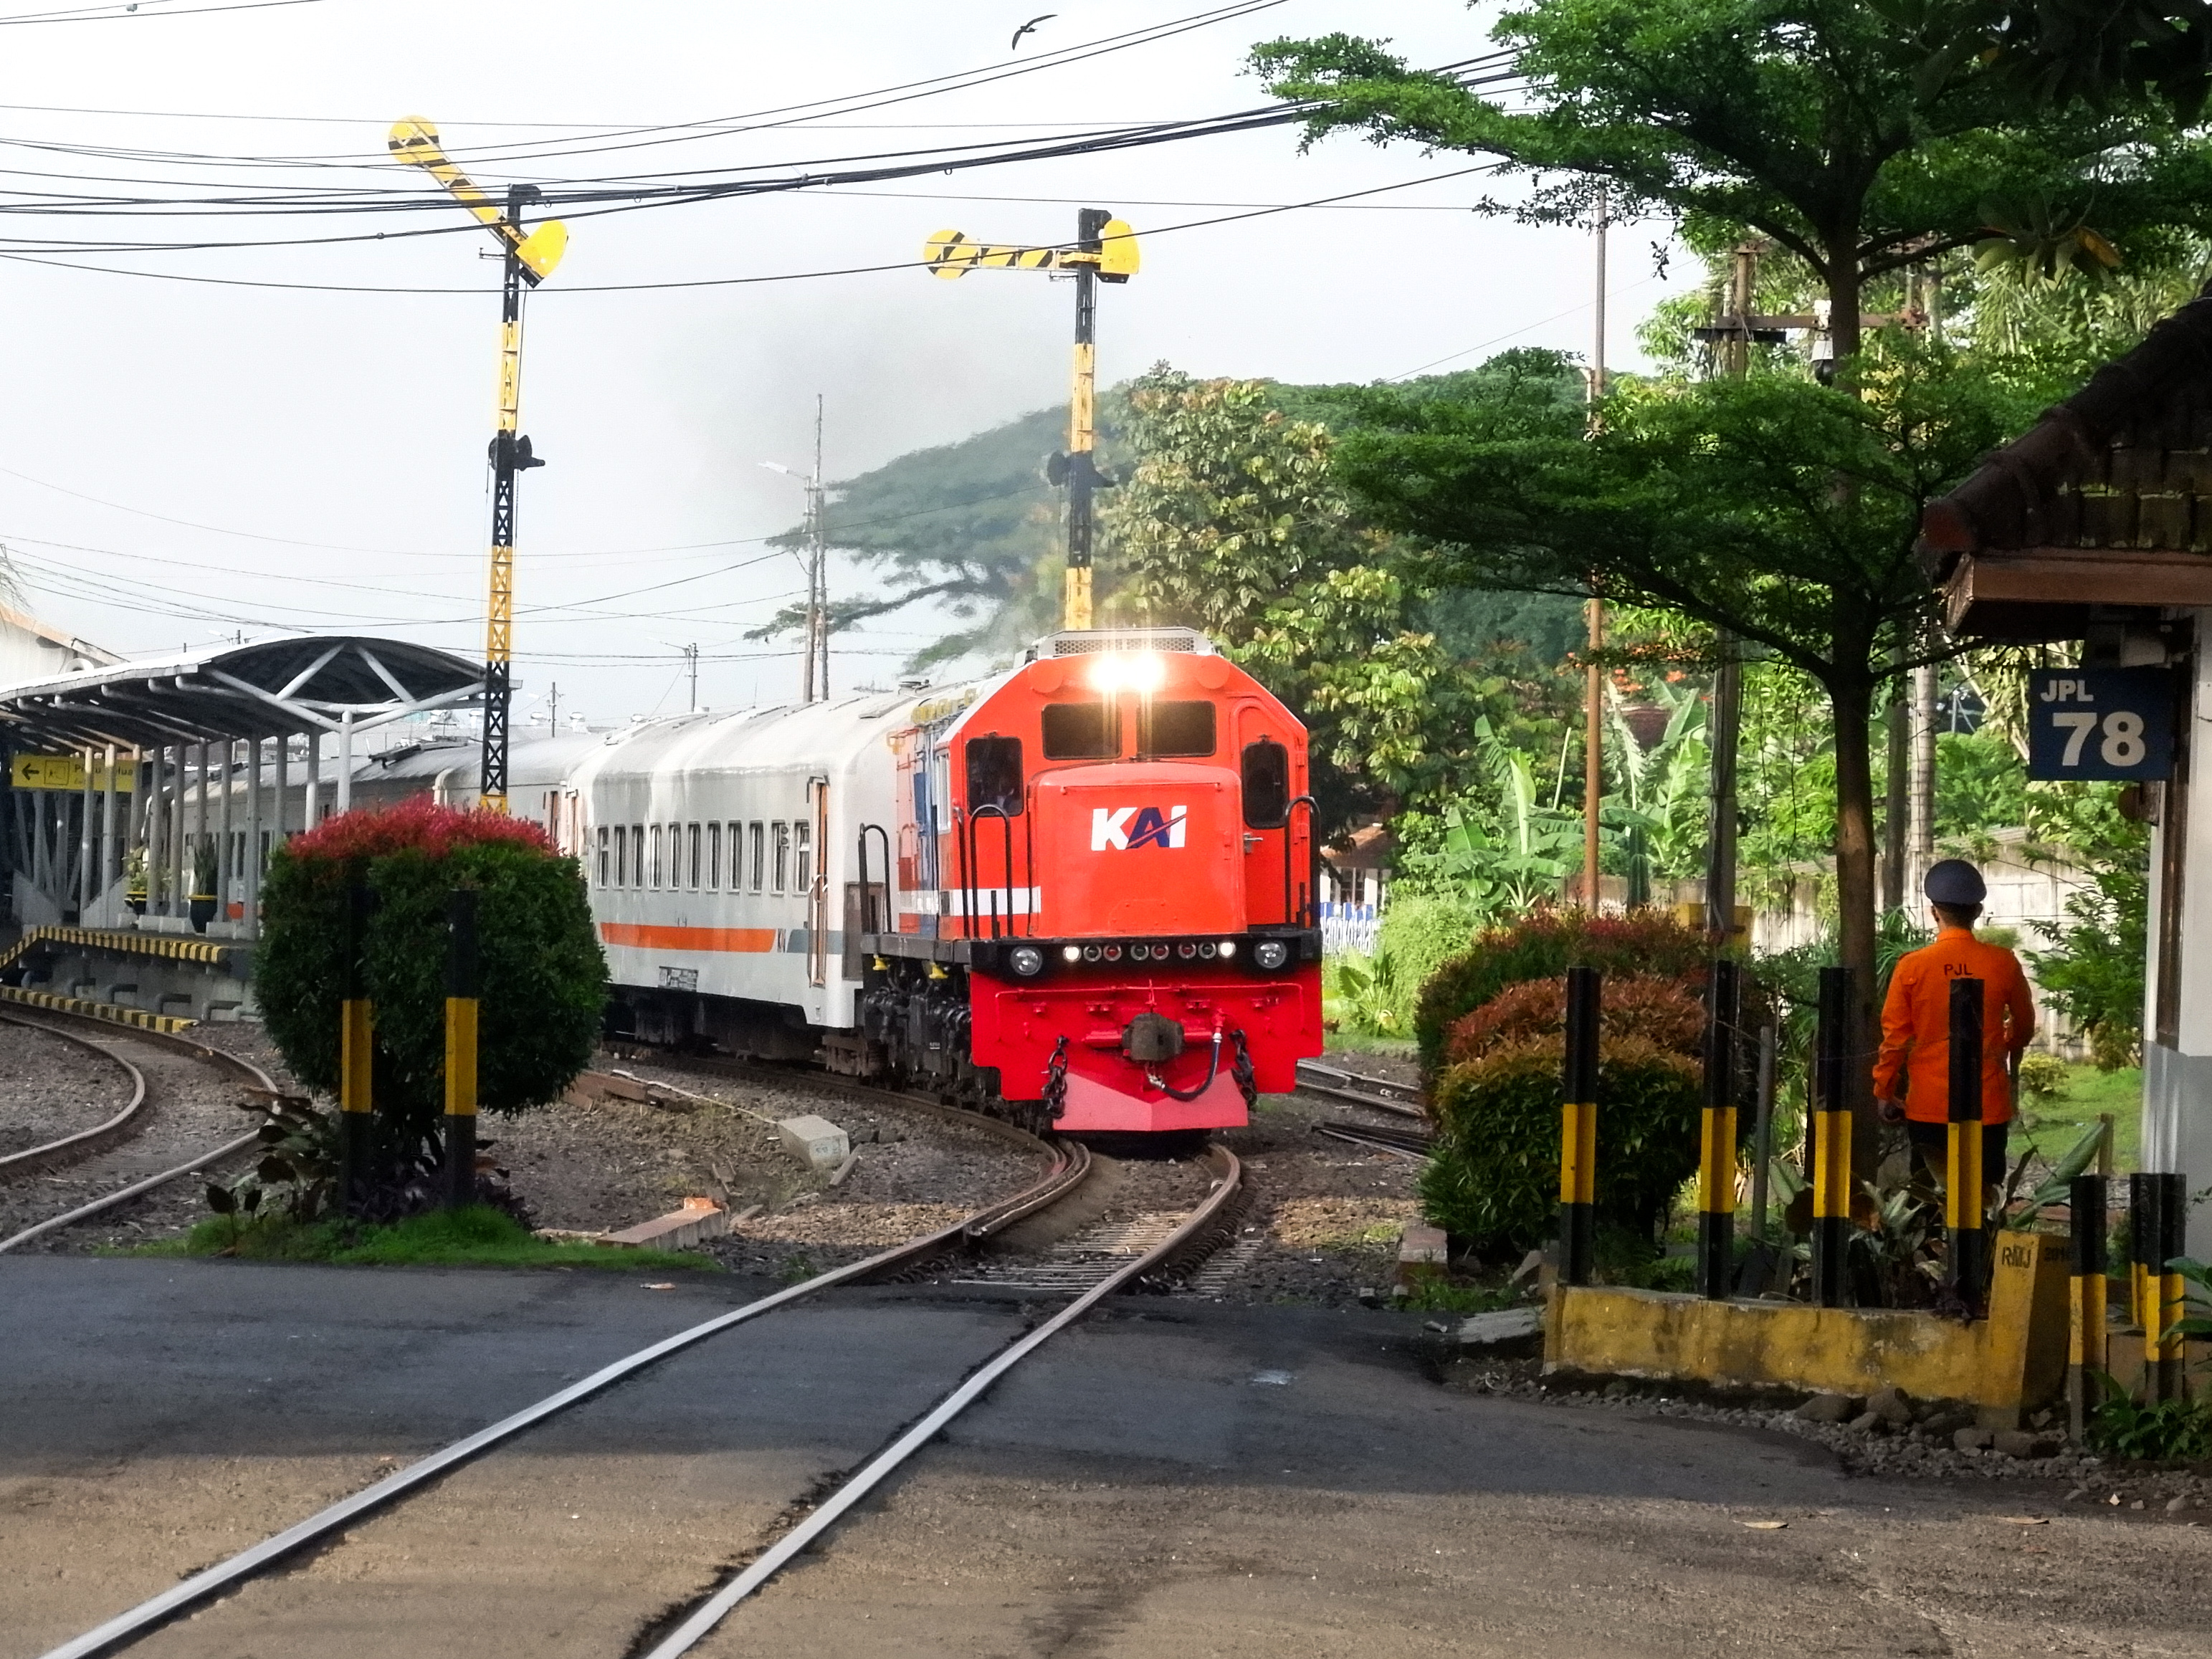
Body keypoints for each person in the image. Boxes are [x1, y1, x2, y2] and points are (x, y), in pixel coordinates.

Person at [1873, 859, 2036, 1197]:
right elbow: (2024, 1024)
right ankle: (1981, 1249)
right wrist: (2005, 1044)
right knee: (1984, 1196)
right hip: (1986, 1105)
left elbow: (1895, 1039)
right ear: (1977, 911)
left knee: (1931, 1199)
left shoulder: (1912, 967)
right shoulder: (2003, 962)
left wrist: (1885, 1091)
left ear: (1934, 913)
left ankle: (1935, 1250)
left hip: (1928, 1107)